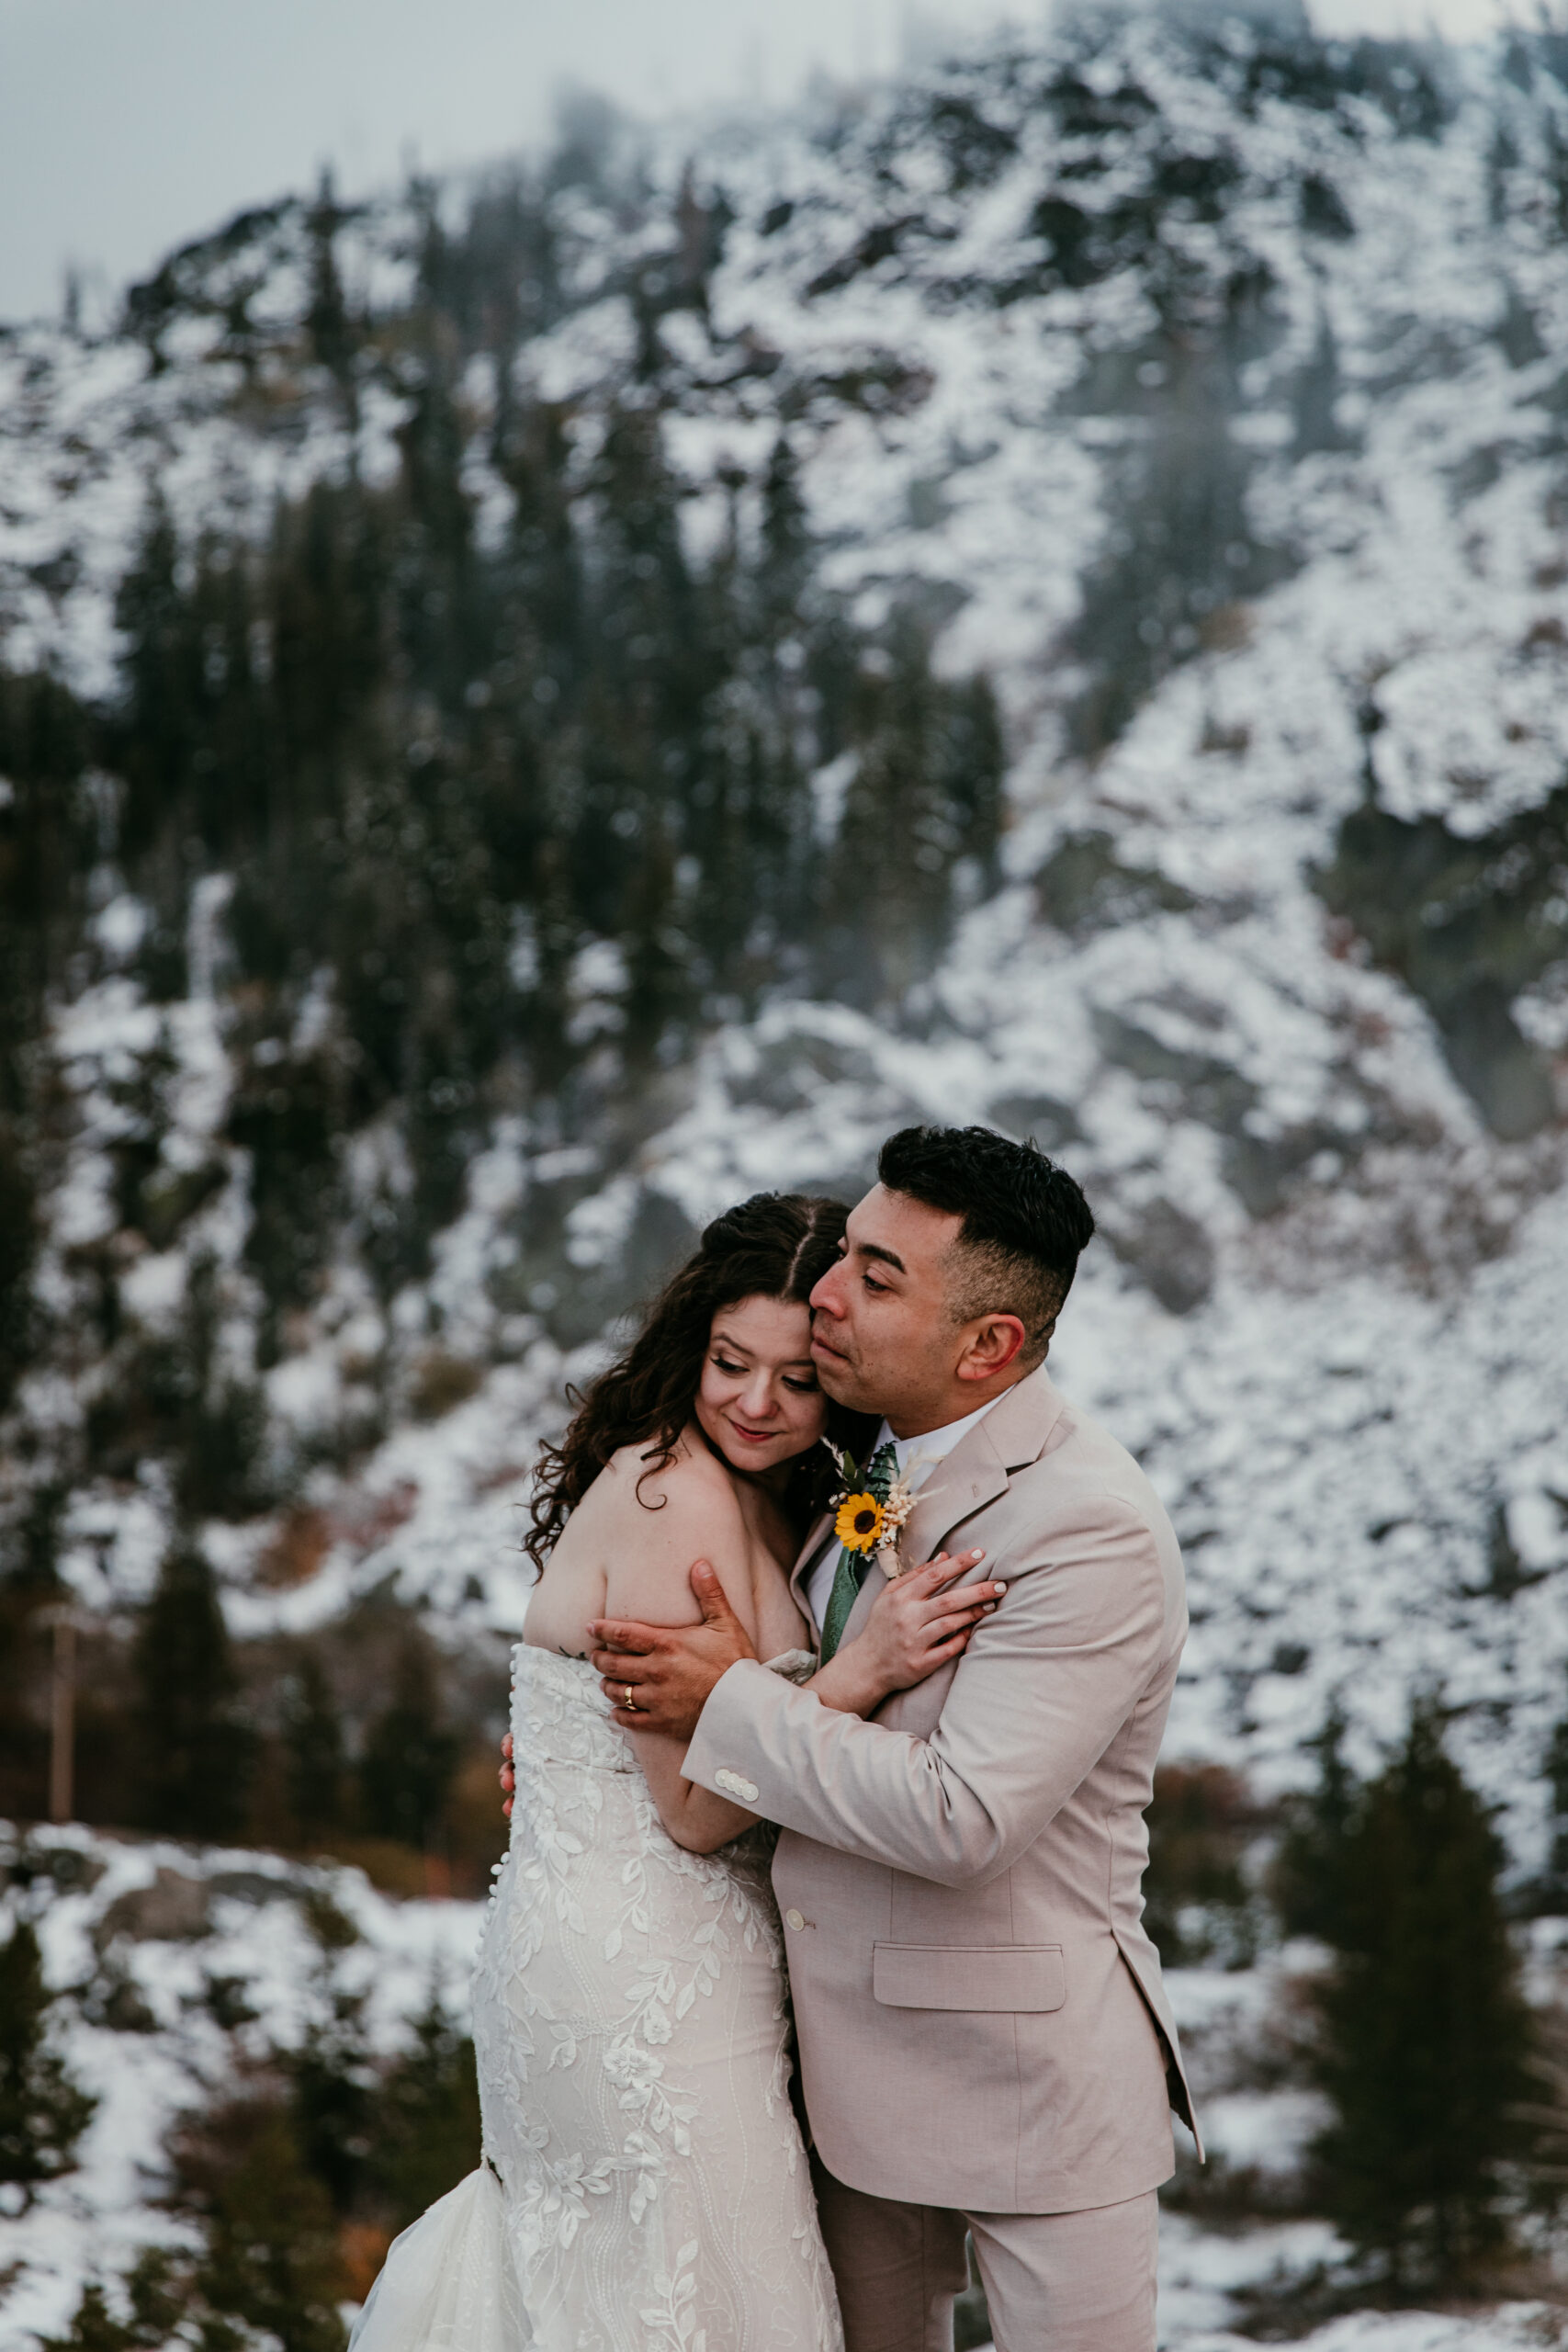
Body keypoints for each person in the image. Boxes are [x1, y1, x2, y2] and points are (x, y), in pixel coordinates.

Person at [349, 1191, 1000, 2352]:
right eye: (729, 1362)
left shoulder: (764, 1495)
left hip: (680, 1966)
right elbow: (697, 1813)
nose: (756, 1402)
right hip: (635, 1988)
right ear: (688, 1348)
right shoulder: (672, 1498)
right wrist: (865, 1667)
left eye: (798, 1380)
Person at [587, 1126, 1201, 2352]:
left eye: (874, 1278)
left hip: (1029, 2086)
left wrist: (733, 1707)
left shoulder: (1088, 1528)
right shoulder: (863, 1451)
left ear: (988, 1346)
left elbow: (958, 1818)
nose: (822, 1295)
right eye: (844, 1257)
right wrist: (599, 1766)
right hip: (838, 2086)